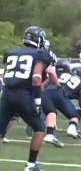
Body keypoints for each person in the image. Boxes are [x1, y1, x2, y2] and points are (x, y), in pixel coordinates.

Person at [0, 26, 52, 171]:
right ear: (38, 39)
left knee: (0, 130)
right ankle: (31, 165)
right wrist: (37, 100)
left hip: (7, 94)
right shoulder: (41, 54)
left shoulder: (11, 52)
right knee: (40, 128)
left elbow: (6, 75)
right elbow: (36, 78)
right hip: (24, 95)